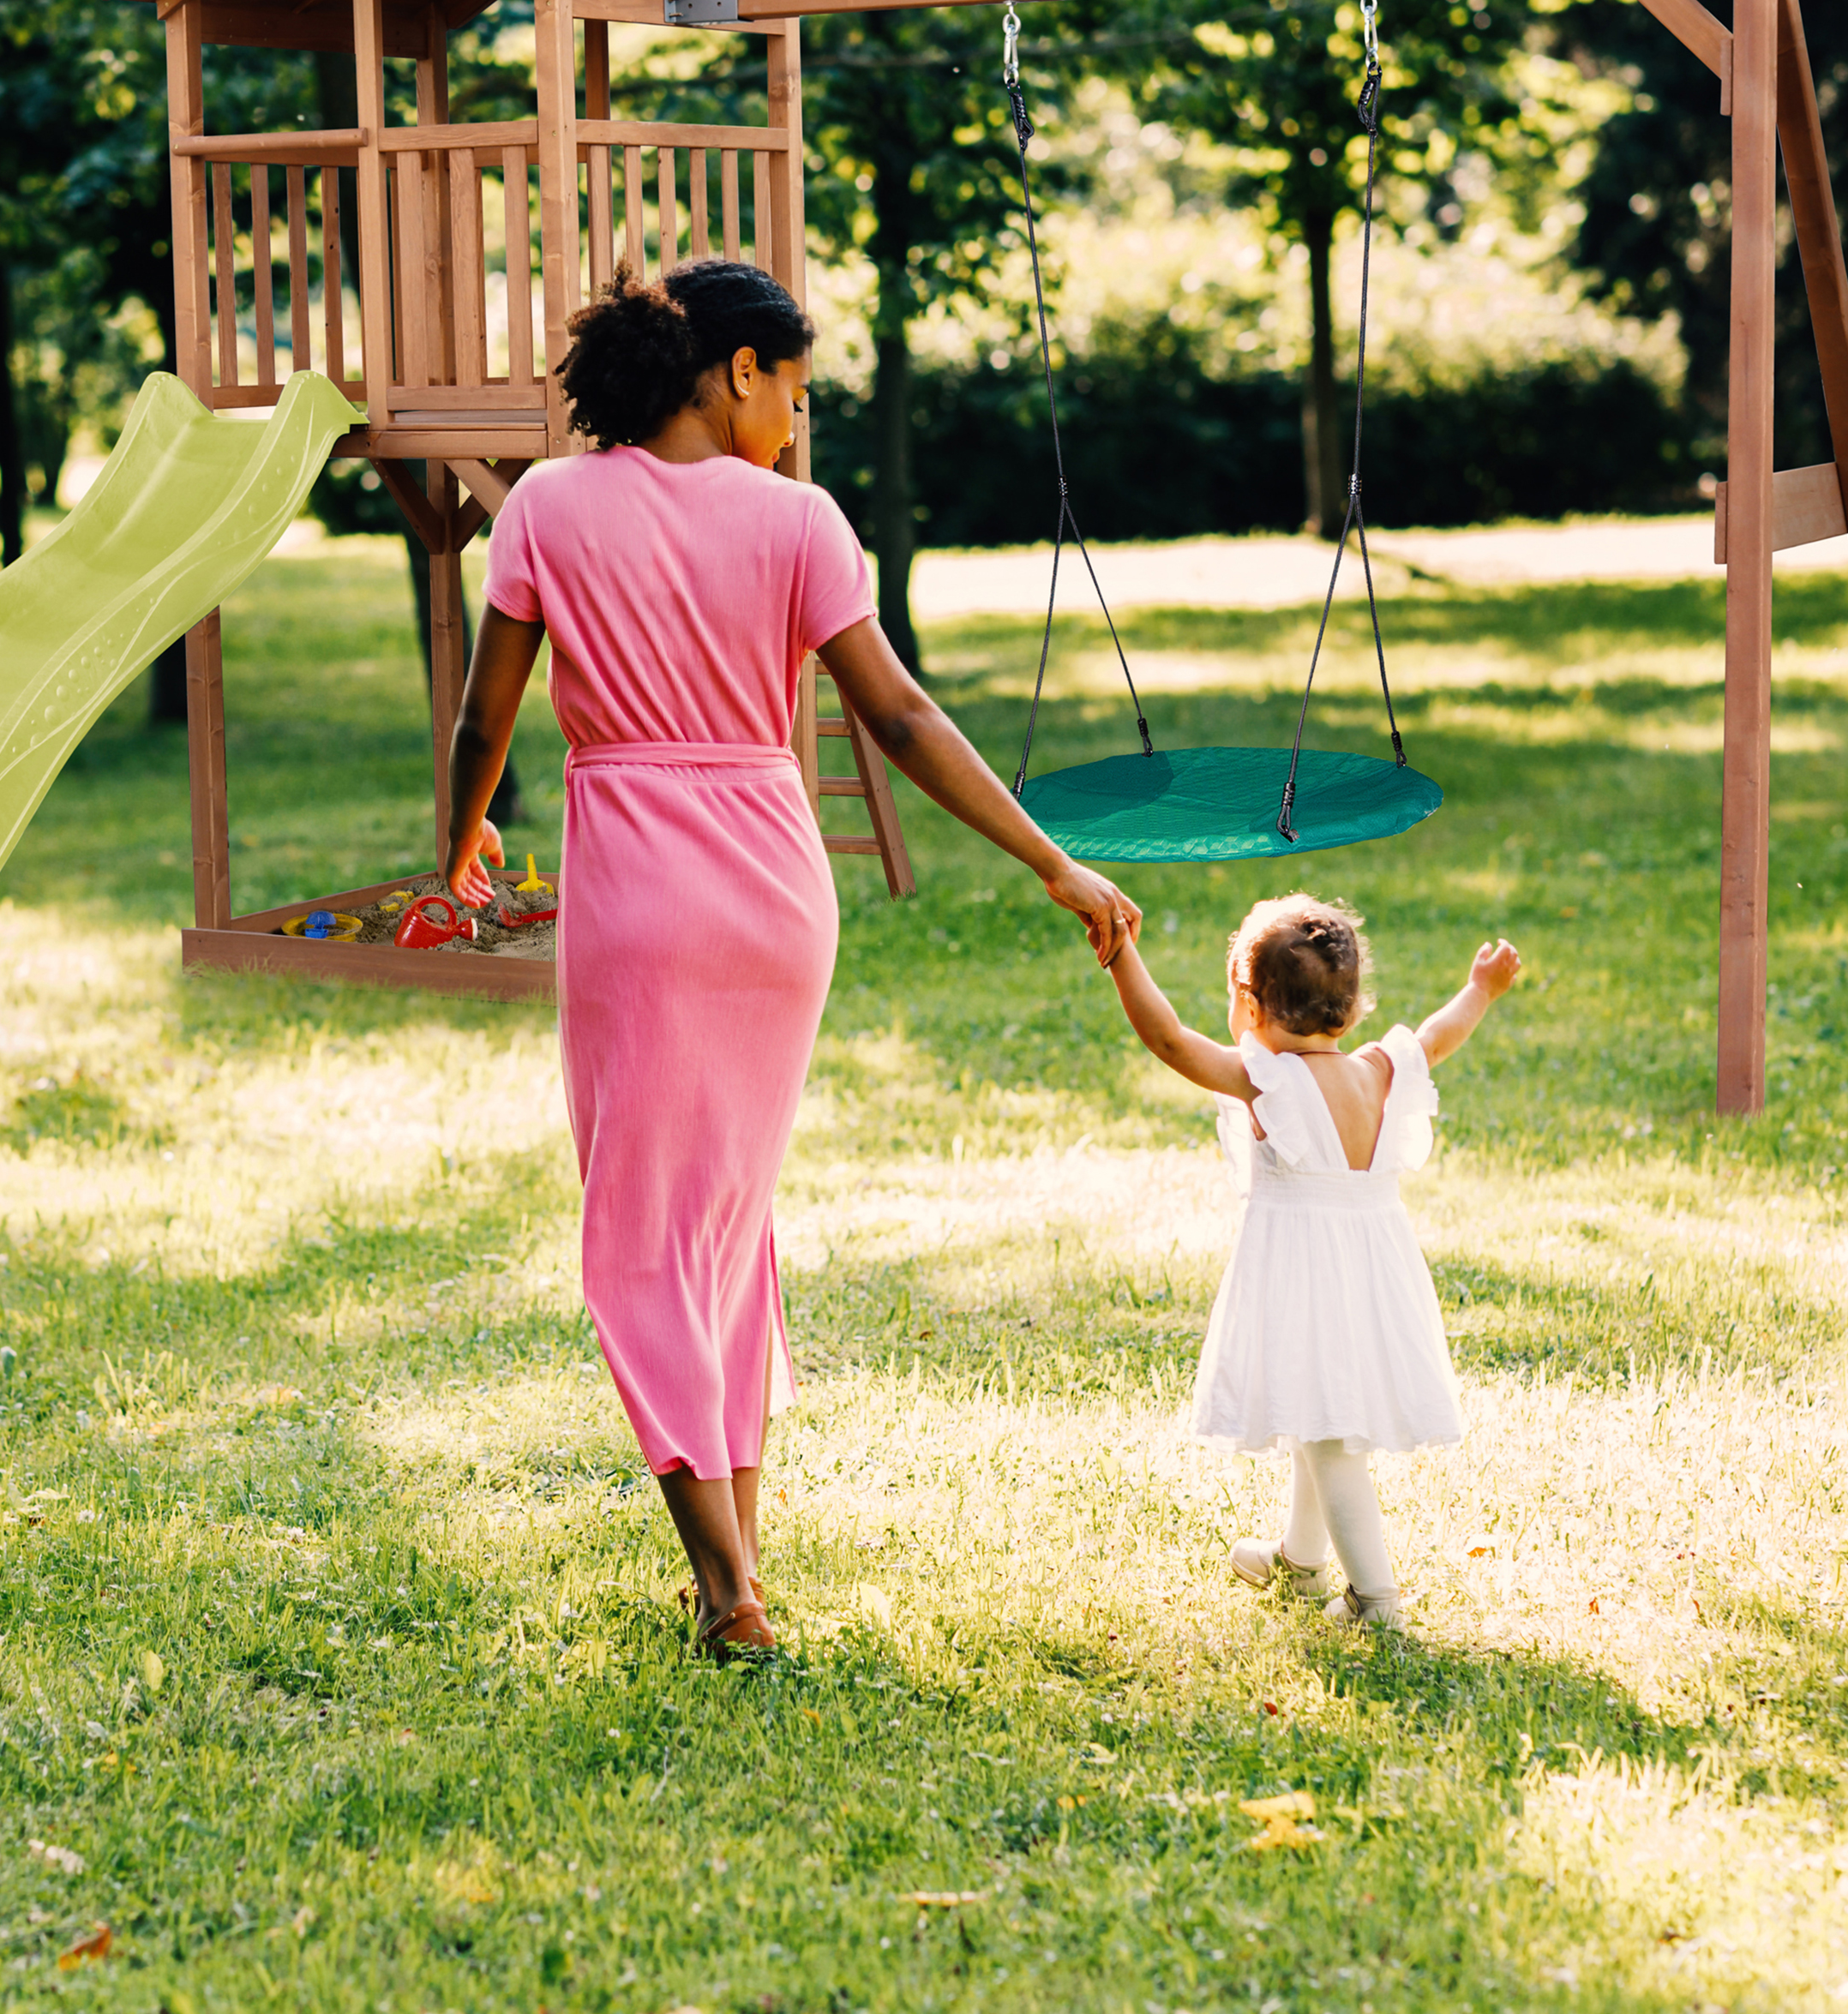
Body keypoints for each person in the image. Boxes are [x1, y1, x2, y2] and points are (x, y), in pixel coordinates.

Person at [442, 259, 1139, 1657]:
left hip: (637, 889)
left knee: (642, 1235)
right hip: (774, 889)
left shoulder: (547, 508)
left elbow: (485, 719)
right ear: (737, 371)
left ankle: (724, 1588)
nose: (799, 427)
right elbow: (899, 719)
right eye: (797, 394)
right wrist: (1050, 858)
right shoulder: (802, 524)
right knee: (725, 1225)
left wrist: (456, 845)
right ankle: (739, 1561)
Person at [1101, 893, 1521, 1629]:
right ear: (1352, 1009)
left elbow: (1168, 1039)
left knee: (1329, 1439)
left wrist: (1120, 953)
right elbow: (1438, 1033)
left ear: (1251, 1006)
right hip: (1372, 1274)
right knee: (1314, 1410)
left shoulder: (1269, 1082)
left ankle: (1375, 1600)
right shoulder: (1381, 1070)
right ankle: (1299, 1560)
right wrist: (1480, 989)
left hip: (1306, 1278)